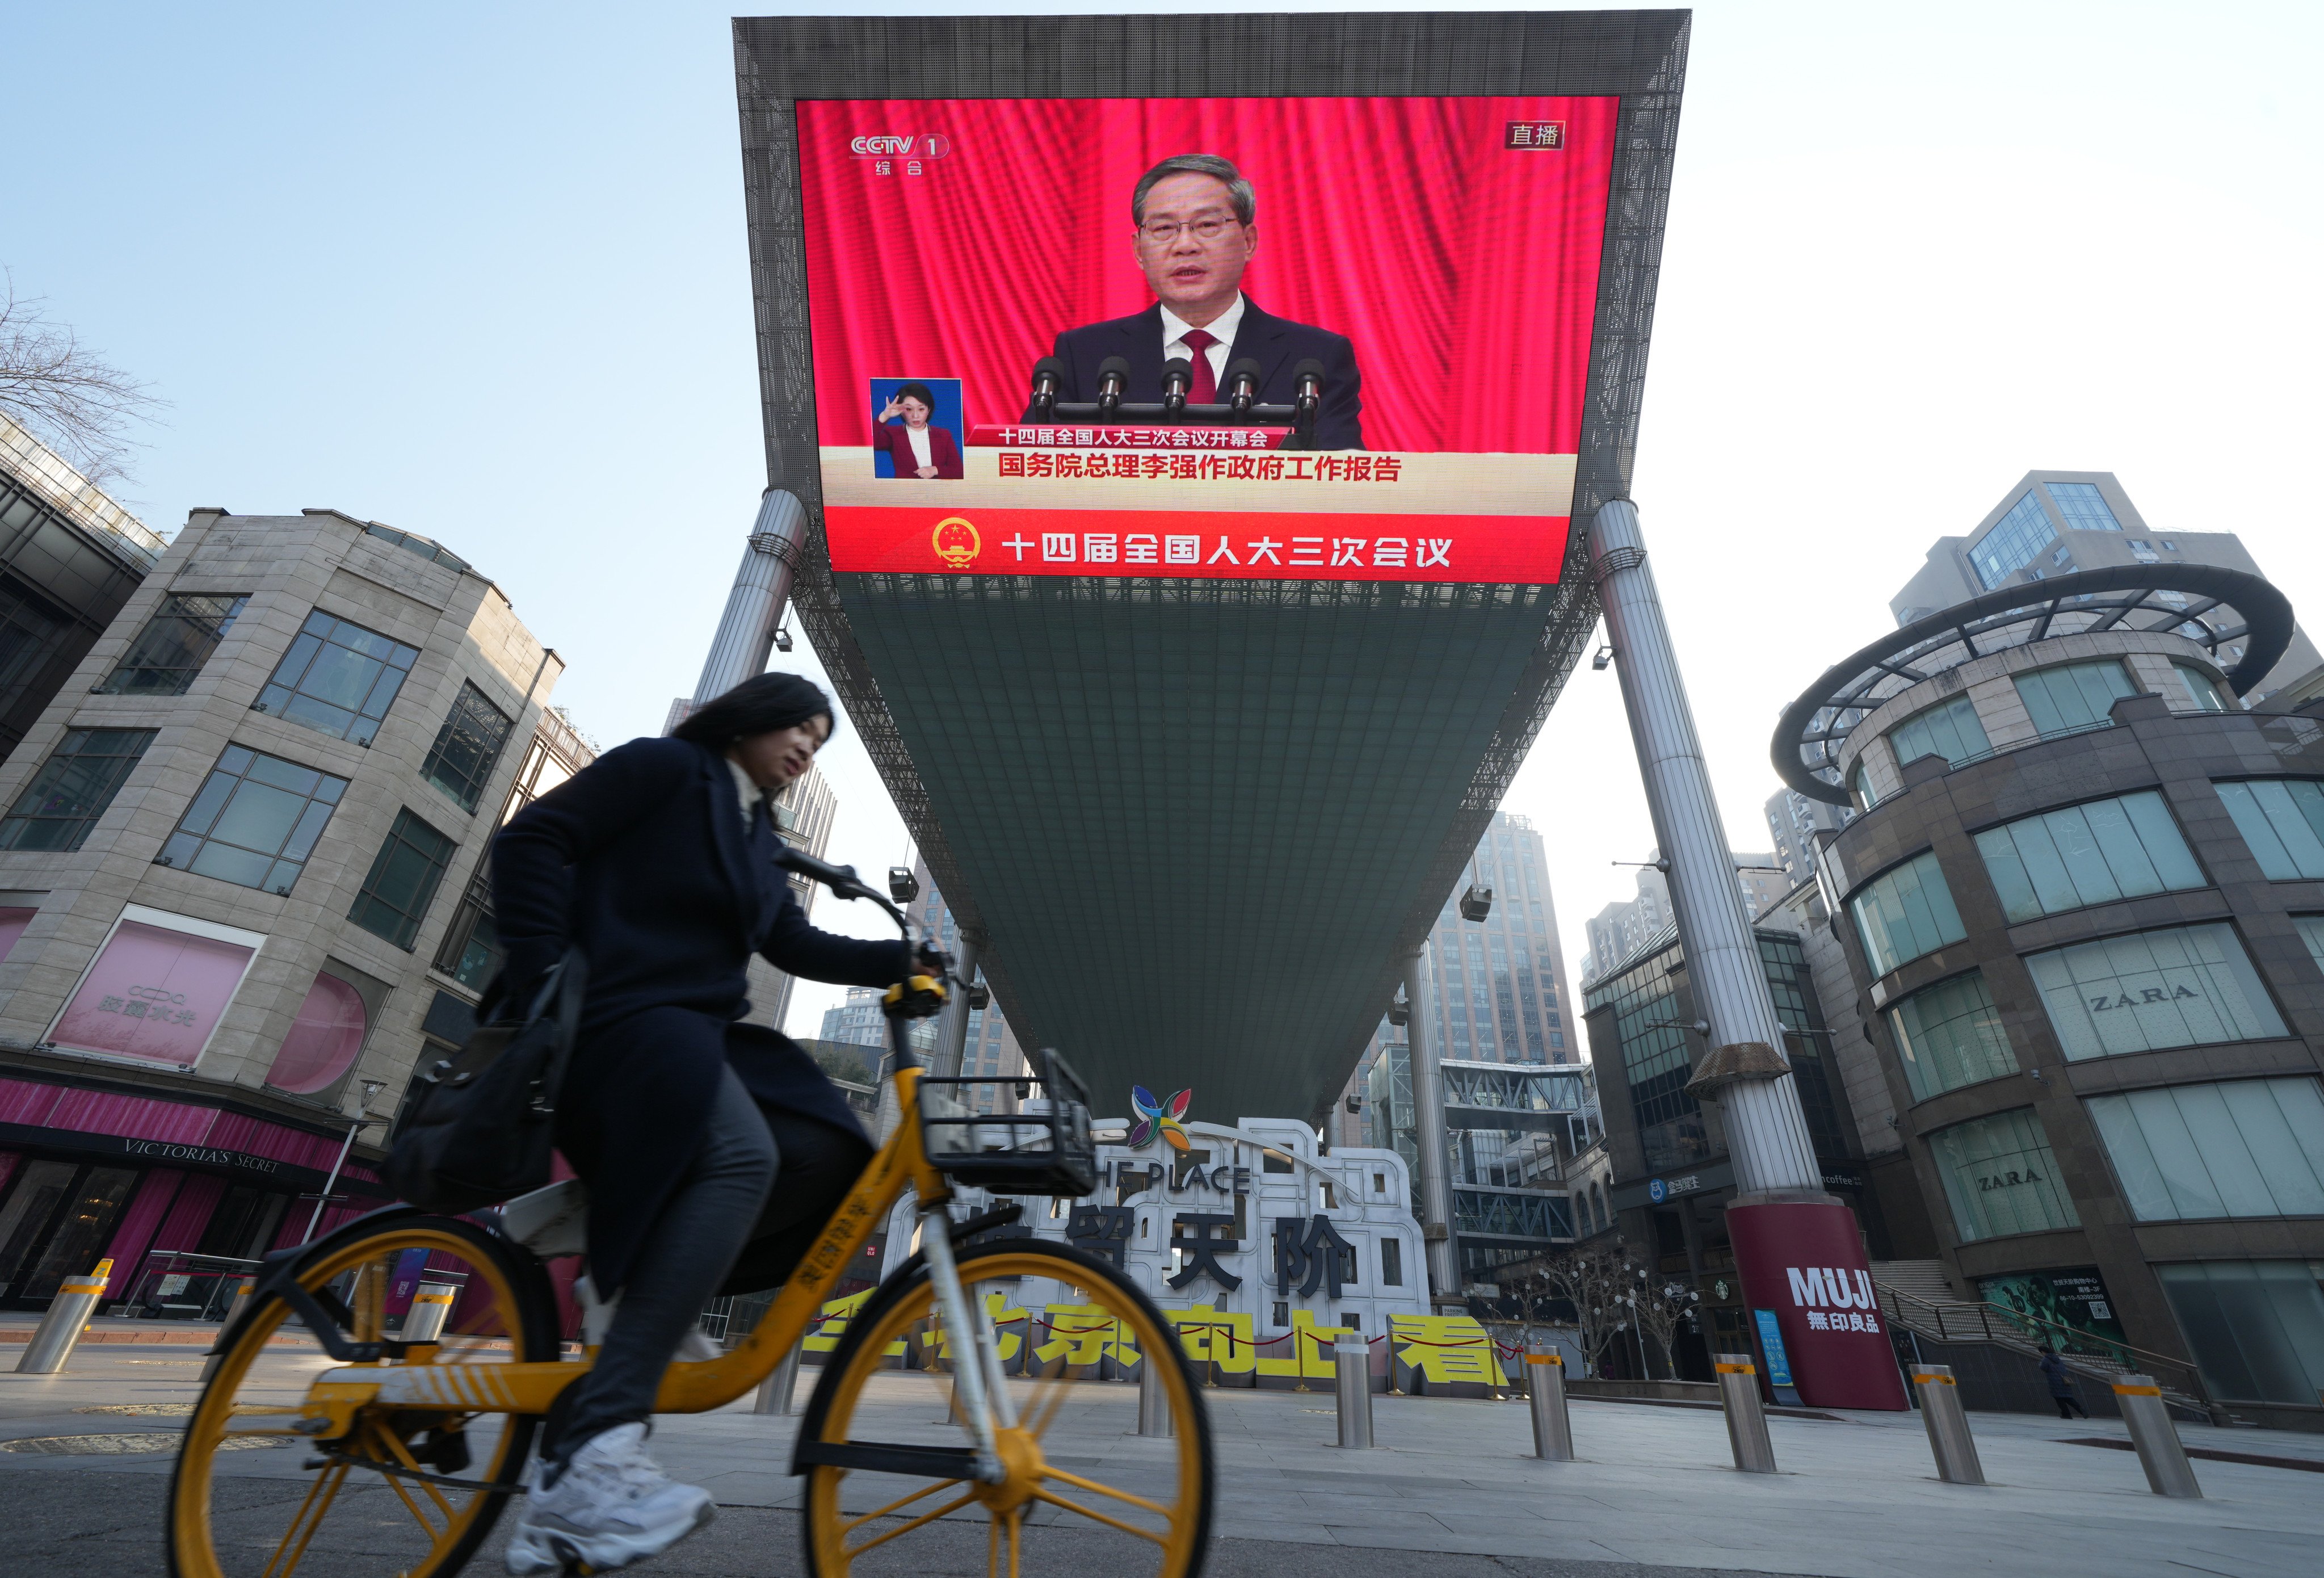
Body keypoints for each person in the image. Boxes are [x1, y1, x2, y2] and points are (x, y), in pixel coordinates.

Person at [489, 673, 916, 1575]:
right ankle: (596, 1455)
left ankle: (637, 1268)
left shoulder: (757, 836)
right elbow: (532, 841)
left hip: (694, 1036)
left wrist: (902, 956)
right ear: (747, 722)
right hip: (613, 1018)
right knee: (741, 1151)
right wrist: (542, 980)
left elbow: (790, 946)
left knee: (824, 1146)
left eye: (817, 740)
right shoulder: (661, 769)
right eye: (797, 728)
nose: (805, 747)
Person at [1027, 154, 1364, 450]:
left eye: (1206, 225)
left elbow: (1342, 482)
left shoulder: (1315, 358)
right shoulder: (1084, 355)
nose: (1185, 245)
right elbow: (1024, 468)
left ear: (1249, 241)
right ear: (1138, 251)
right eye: (1163, 228)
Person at [871, 381, 963, 479]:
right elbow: (871, 443)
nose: (915, 416)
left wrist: (936, 470)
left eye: (921, 409)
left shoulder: (944, 435)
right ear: (901, 411)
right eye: (909, 409)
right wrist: (885, 415)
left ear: (929, 409)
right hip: (905, 492)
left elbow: (959, 471)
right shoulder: (893, 434)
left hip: (937, 491)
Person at [2039, 1346, 2087, 1419]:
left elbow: (2043, 1368)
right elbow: (2064, 1369)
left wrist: (2040, 1364)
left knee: (2059, 1398)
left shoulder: (2046, 1359)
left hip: (2054, 1381)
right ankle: (2080, 1409)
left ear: (2043, 1352)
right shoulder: (2058, 1359)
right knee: (2068, 1398)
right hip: (2063, 1380)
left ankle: (2066, 1414)